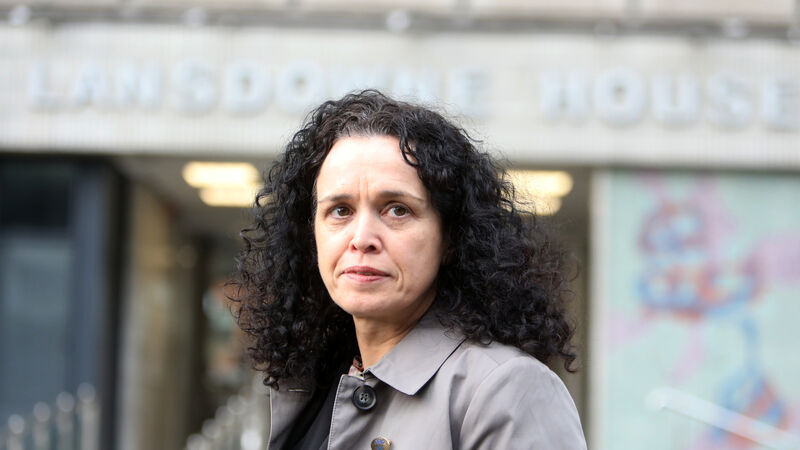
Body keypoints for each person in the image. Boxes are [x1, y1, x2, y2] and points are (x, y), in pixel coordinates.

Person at [229, 90, 587, 449]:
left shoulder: (505, 390)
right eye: (340, 211)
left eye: (397, 209)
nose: (362, 238)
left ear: (451, 237)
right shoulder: (317, 384)